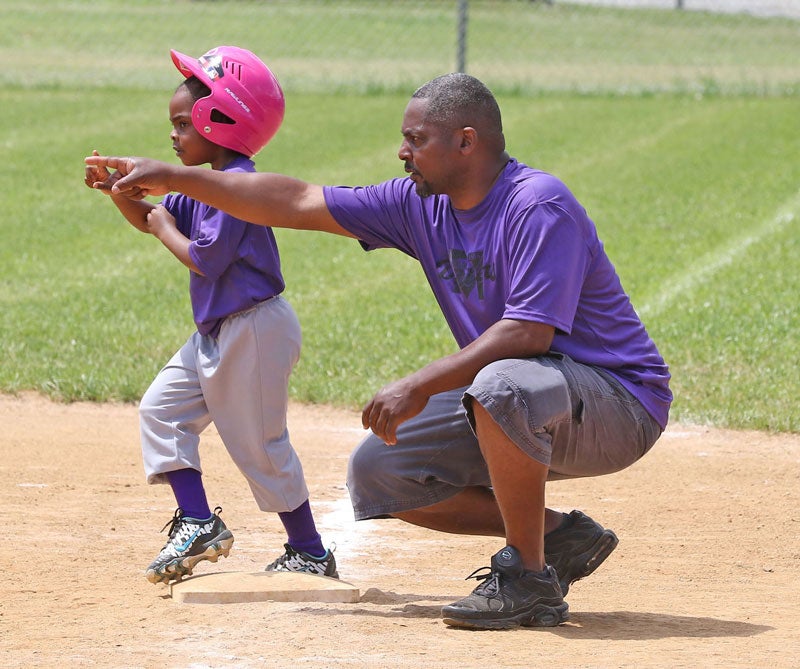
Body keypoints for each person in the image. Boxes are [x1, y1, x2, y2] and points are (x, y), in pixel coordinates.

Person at [86, 72, 671, 628]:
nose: (402, 151)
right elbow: (295, 200)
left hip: (619, 403)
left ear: (465, 142)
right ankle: (560, 537)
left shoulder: (537, 204)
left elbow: (528, 333)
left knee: (501, 384)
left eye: (415, 139)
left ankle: (528, 580)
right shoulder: (420, 204)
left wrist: (417, 384)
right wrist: (175, 178)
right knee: (381, 472)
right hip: (531, 392)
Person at [84, 46, 338, 585]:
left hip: (255, 329)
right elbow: (154, 215)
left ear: (219, 121)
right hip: (221, 330)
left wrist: (161, 228)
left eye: (182, 123)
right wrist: (117, 191)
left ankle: (309, 550)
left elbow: (205, 258)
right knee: (161, 411)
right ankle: (198, 520)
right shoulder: (203, 182)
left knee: (258, 447)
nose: (173, 136)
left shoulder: (236, 183)